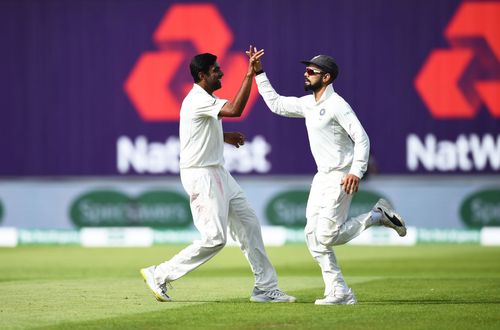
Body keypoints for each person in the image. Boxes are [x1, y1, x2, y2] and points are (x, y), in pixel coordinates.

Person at [140, 47, 296, 303]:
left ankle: (265, 288)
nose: (221, 73)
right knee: (215, 239)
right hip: (201, 175)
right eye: (216, 70)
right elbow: (235, 110)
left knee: (249, 225)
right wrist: (250, 74)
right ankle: (159, 274)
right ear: (202, 75)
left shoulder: (204, 100)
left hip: (218, 172)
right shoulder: (197, 99)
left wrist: (224, 137)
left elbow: (197, 134)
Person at [250, 52, 407, 305]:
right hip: (322, 177)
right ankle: (339, 291)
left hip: (341, 176)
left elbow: (362, 138)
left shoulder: (338, 105)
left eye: (311, 71)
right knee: (312, 235)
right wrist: (259, 73)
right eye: (307, 70)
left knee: (326, 236)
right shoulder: (309, 103)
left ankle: (376, 216)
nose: (306, 74)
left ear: (326, 77)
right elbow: (276, 104)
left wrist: (356, 170)